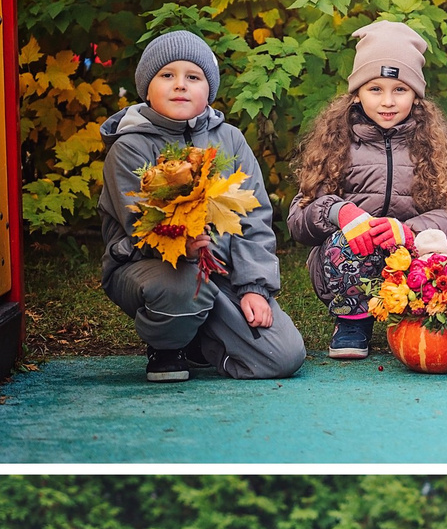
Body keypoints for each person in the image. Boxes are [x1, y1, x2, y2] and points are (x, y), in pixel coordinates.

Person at [96, 30, 306, 382]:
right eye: (167, 75)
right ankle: (167, 345)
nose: (180, 85)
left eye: (192, 77)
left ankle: (200, 342)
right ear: (147, 88)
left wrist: (254, 288)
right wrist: (182, 242)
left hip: (220, 271)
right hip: (154, 267)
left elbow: (254, 219)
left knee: (283, 357)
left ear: (208, 89)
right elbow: (139, 224)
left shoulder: (231, 141)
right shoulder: (129, 147)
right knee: (179, 287)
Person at [286, 19, 447, 359]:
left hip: (410, 262)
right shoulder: (338, 141)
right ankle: (353, 322)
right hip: (352, 265)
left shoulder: (431, 144)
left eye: (399, 89)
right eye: (375, 89)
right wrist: (338, 211)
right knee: (343, 241)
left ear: (415, 95)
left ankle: (446, 314)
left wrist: (411, 231)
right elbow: (299, 218)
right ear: (357, 93)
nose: (387, 101)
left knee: (444, 250)